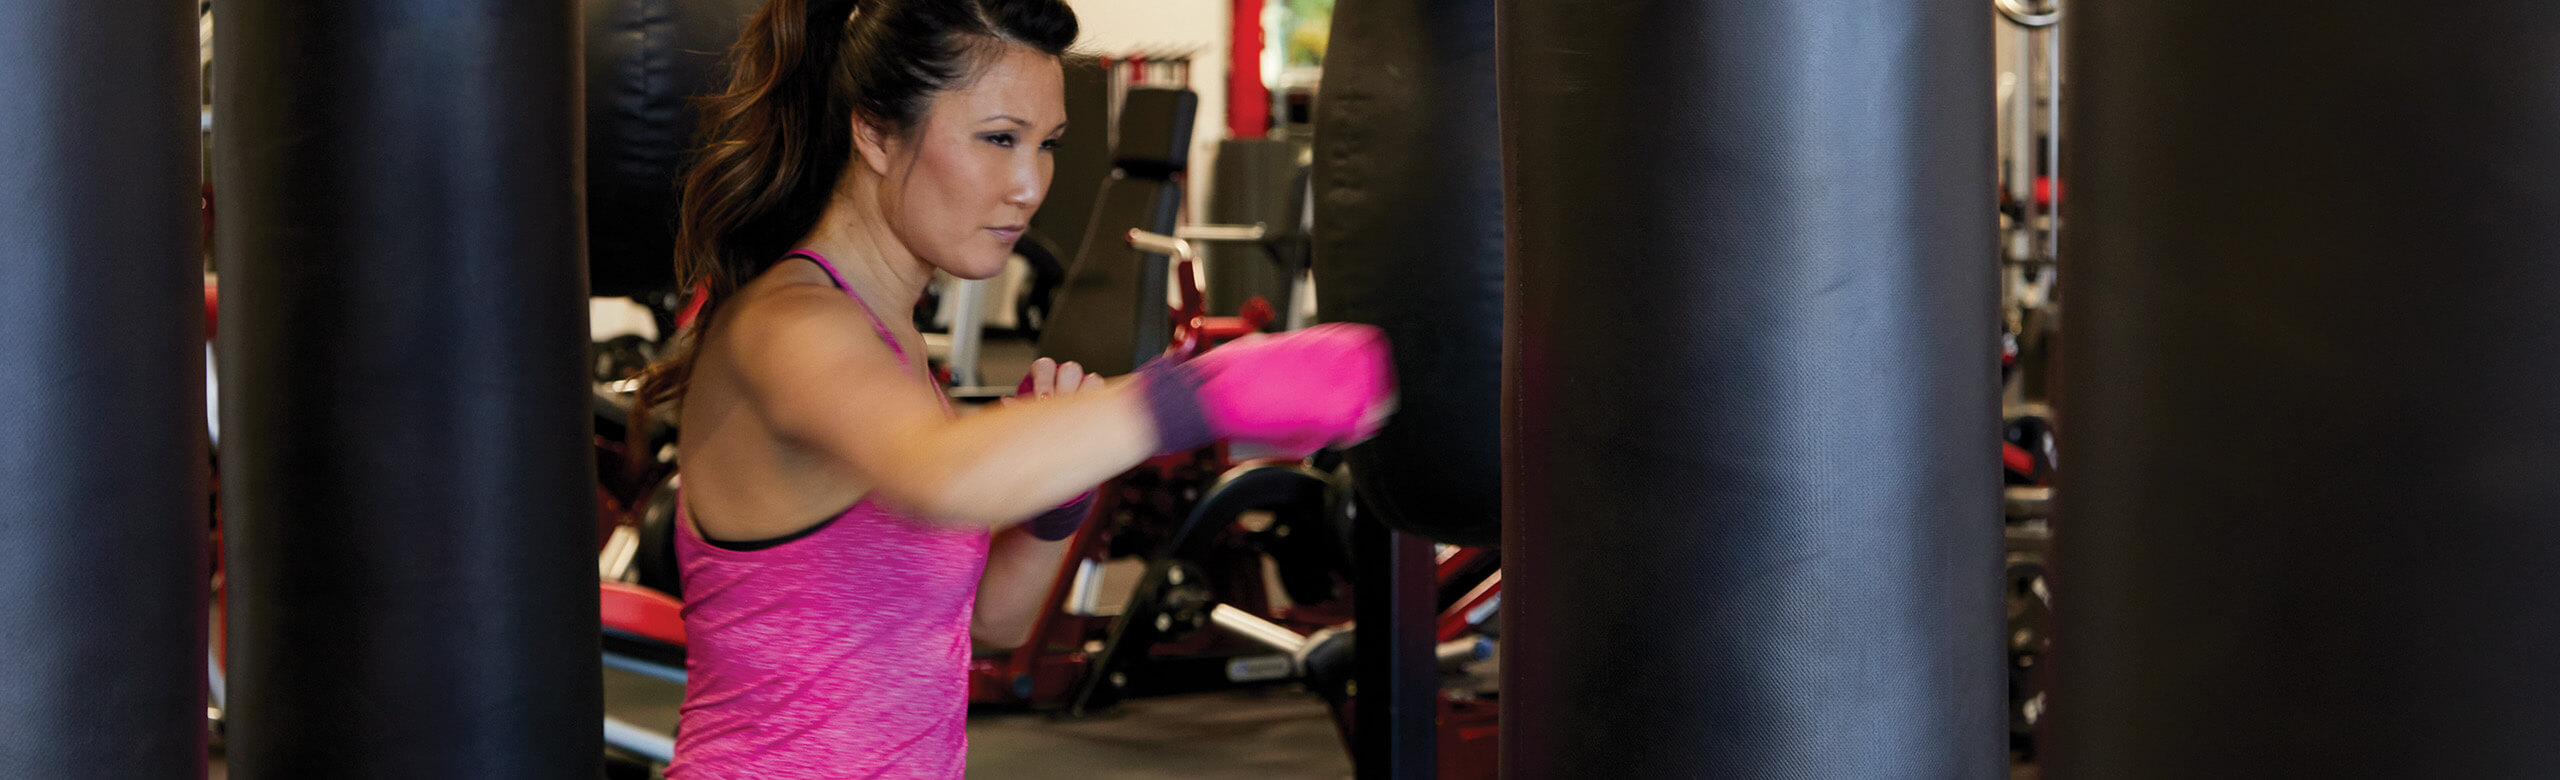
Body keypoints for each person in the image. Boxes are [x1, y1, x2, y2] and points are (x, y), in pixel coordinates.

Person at [626, 0, 1395, 776]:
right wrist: (1201, 392)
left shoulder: (887, 343)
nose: (1030, 185)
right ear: (875, 133)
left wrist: (1054, 508)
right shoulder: (792, 323)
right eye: (998, 139)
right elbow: (942, 474)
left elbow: (990, 621)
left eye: (1048, 145)